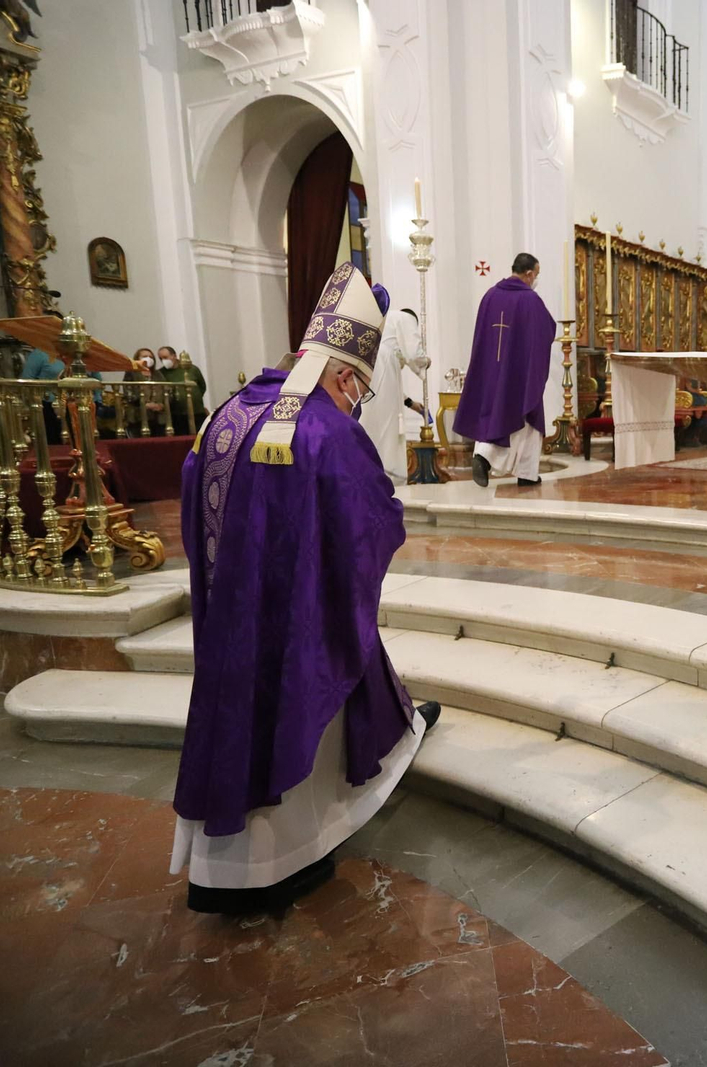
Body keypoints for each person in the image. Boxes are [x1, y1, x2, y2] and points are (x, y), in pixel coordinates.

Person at [170, 261, 438, 915]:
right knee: (307, 702)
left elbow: (190, 495)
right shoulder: (325, 429)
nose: (355, 402)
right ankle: (280, 862)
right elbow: (367, 519)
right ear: (346, 374)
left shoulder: (229, 410)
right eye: (360, 391)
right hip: (295, 629)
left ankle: (215, 868)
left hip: (229, 623)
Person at [454, 253, 555, 488]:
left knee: (494, 412)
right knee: (526, 415)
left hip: (492, 369)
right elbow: (546, 331)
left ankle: (491, 457)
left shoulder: (489, 296)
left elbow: (481, 337)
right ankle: (513, 468)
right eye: (536, 275)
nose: (535, 280)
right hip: (520, 370)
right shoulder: (530, 300)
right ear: (529, 274)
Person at [366, 306, 431, 483]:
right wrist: (425, 362)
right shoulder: (406, 317)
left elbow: (391, 389)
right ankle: (390, 475)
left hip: (369, 367)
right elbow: (413, 353)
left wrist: (410, 403)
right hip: (383, 366)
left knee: (374, 424)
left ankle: (375, 472)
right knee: (388, 425)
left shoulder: (386, 327)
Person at [156, 346, 208, 432]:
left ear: (174, 356)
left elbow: (202, 386)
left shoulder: (192, 369)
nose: (163, 361)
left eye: (165, 357)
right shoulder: (161, 373)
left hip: (197, 411)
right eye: (161, 359)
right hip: (177, 414)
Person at [21, 346, 66, 440]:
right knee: (53, 441)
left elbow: (95, 376)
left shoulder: (79, 353)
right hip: (48, 404)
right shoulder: (40, 353)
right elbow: (27, 379)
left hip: (77, 402)